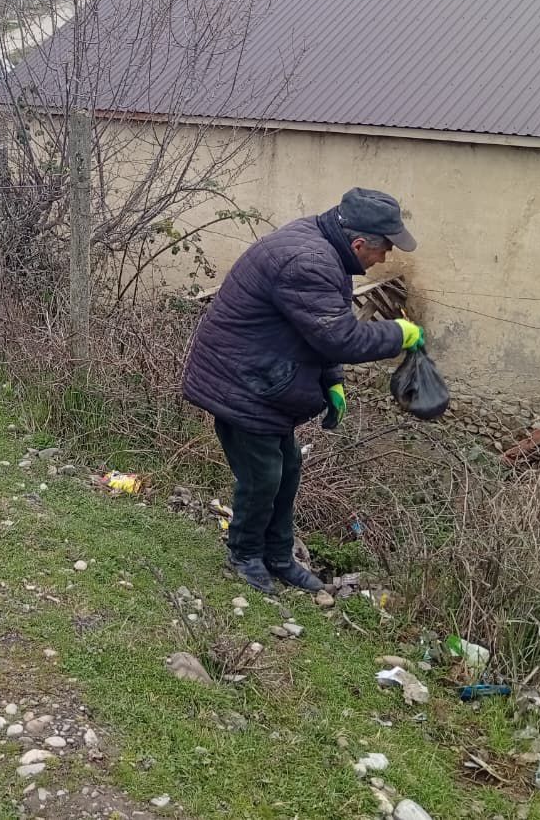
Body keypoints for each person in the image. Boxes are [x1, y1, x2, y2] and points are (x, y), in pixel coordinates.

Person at [181, 188, 426, 595]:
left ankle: (279, 556)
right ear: (359, 244)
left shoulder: (327, 251)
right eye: (383, 250)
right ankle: (245, 554)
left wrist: (332, 380)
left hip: (264, 376)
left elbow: (314, 326)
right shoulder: (308, 261)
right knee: (262, 477)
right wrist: (400, 333)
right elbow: (340, 338)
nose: (384, 260)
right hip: (241, 381)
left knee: (288, 469)